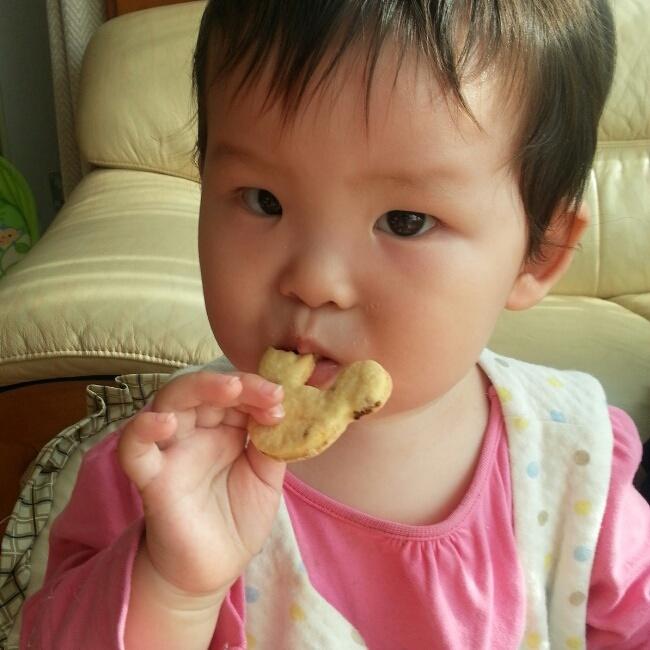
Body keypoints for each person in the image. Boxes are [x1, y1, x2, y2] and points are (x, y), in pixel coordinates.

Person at [21, 1, 650, 648]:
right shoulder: (158, 474)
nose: (315, 280)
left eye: (404, 221)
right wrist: (171, 587)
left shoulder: (576, 463)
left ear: (538, 253)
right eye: (264, 201)